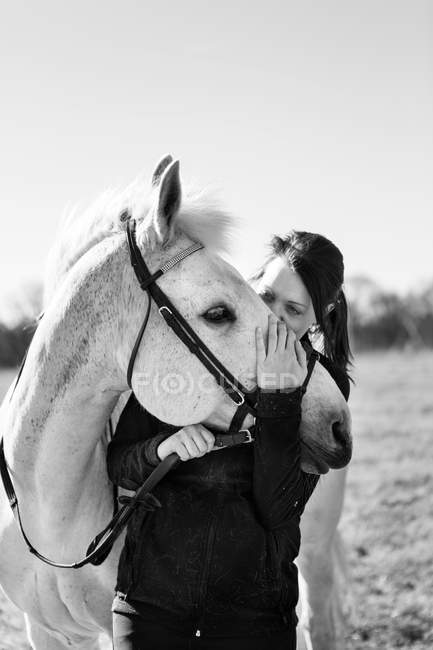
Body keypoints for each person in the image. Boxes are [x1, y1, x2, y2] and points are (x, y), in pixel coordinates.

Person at [107, 230, 352, 650]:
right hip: (151, 605)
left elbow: (279, 509)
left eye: (293, 309)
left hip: (253, 618)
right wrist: (162, 449)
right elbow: (120, 464)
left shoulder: (321, 391)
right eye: (266, 294)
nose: (272, 316)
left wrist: (279, 397)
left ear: (321, 315)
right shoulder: (192, 342)